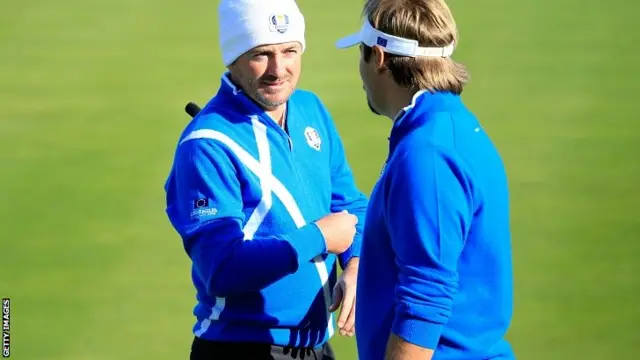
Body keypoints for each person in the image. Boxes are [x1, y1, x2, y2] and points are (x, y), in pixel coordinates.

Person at [163, 0, 368, 358]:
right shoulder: (206, 145)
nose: (279, 69)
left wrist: (354, 263)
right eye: (261, 54)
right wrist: (320, 237)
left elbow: (349, 204)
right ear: (233, 59)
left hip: (318, 346)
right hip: (242, 347)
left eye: (290, 51)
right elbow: (222, 268)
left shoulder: (309, 109)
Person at [334, 0, 516, 359]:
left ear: (380, 57)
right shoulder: (453, 128)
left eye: (361, 52)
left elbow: (426, 300)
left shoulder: (428, 154)